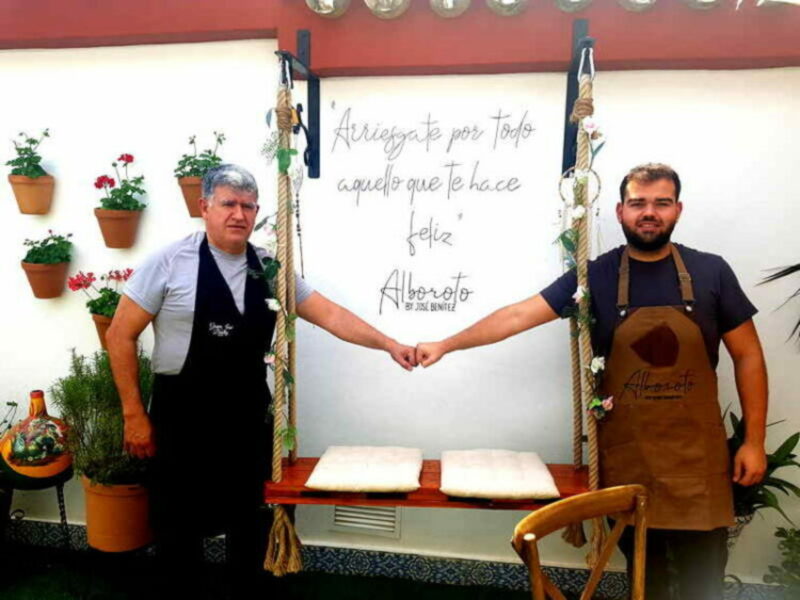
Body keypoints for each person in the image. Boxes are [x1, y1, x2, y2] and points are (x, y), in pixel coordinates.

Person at [416, 163, 768, 600]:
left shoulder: (712, 271)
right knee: (646, 575)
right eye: (638, 203)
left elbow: (748, 355)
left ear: (678, 210)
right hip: (629, 456)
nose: (649, 213)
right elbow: (518, 315)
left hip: (697, 462)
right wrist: (446, 344)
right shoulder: (594, 276)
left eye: (661, 203)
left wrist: (753, 441)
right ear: (620, 211)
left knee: (703, 579)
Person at [106, 163, 416, 599]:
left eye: (248, 206)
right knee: (178, 524)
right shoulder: (169, 262)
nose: (239, 214)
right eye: (228, 203)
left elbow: (330, 314)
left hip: (247, 411)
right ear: (204, 207)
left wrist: (389, 344)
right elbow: (120, 334)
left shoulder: (270, 267)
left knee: (250, 520)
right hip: (182, 413)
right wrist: (134, 414)